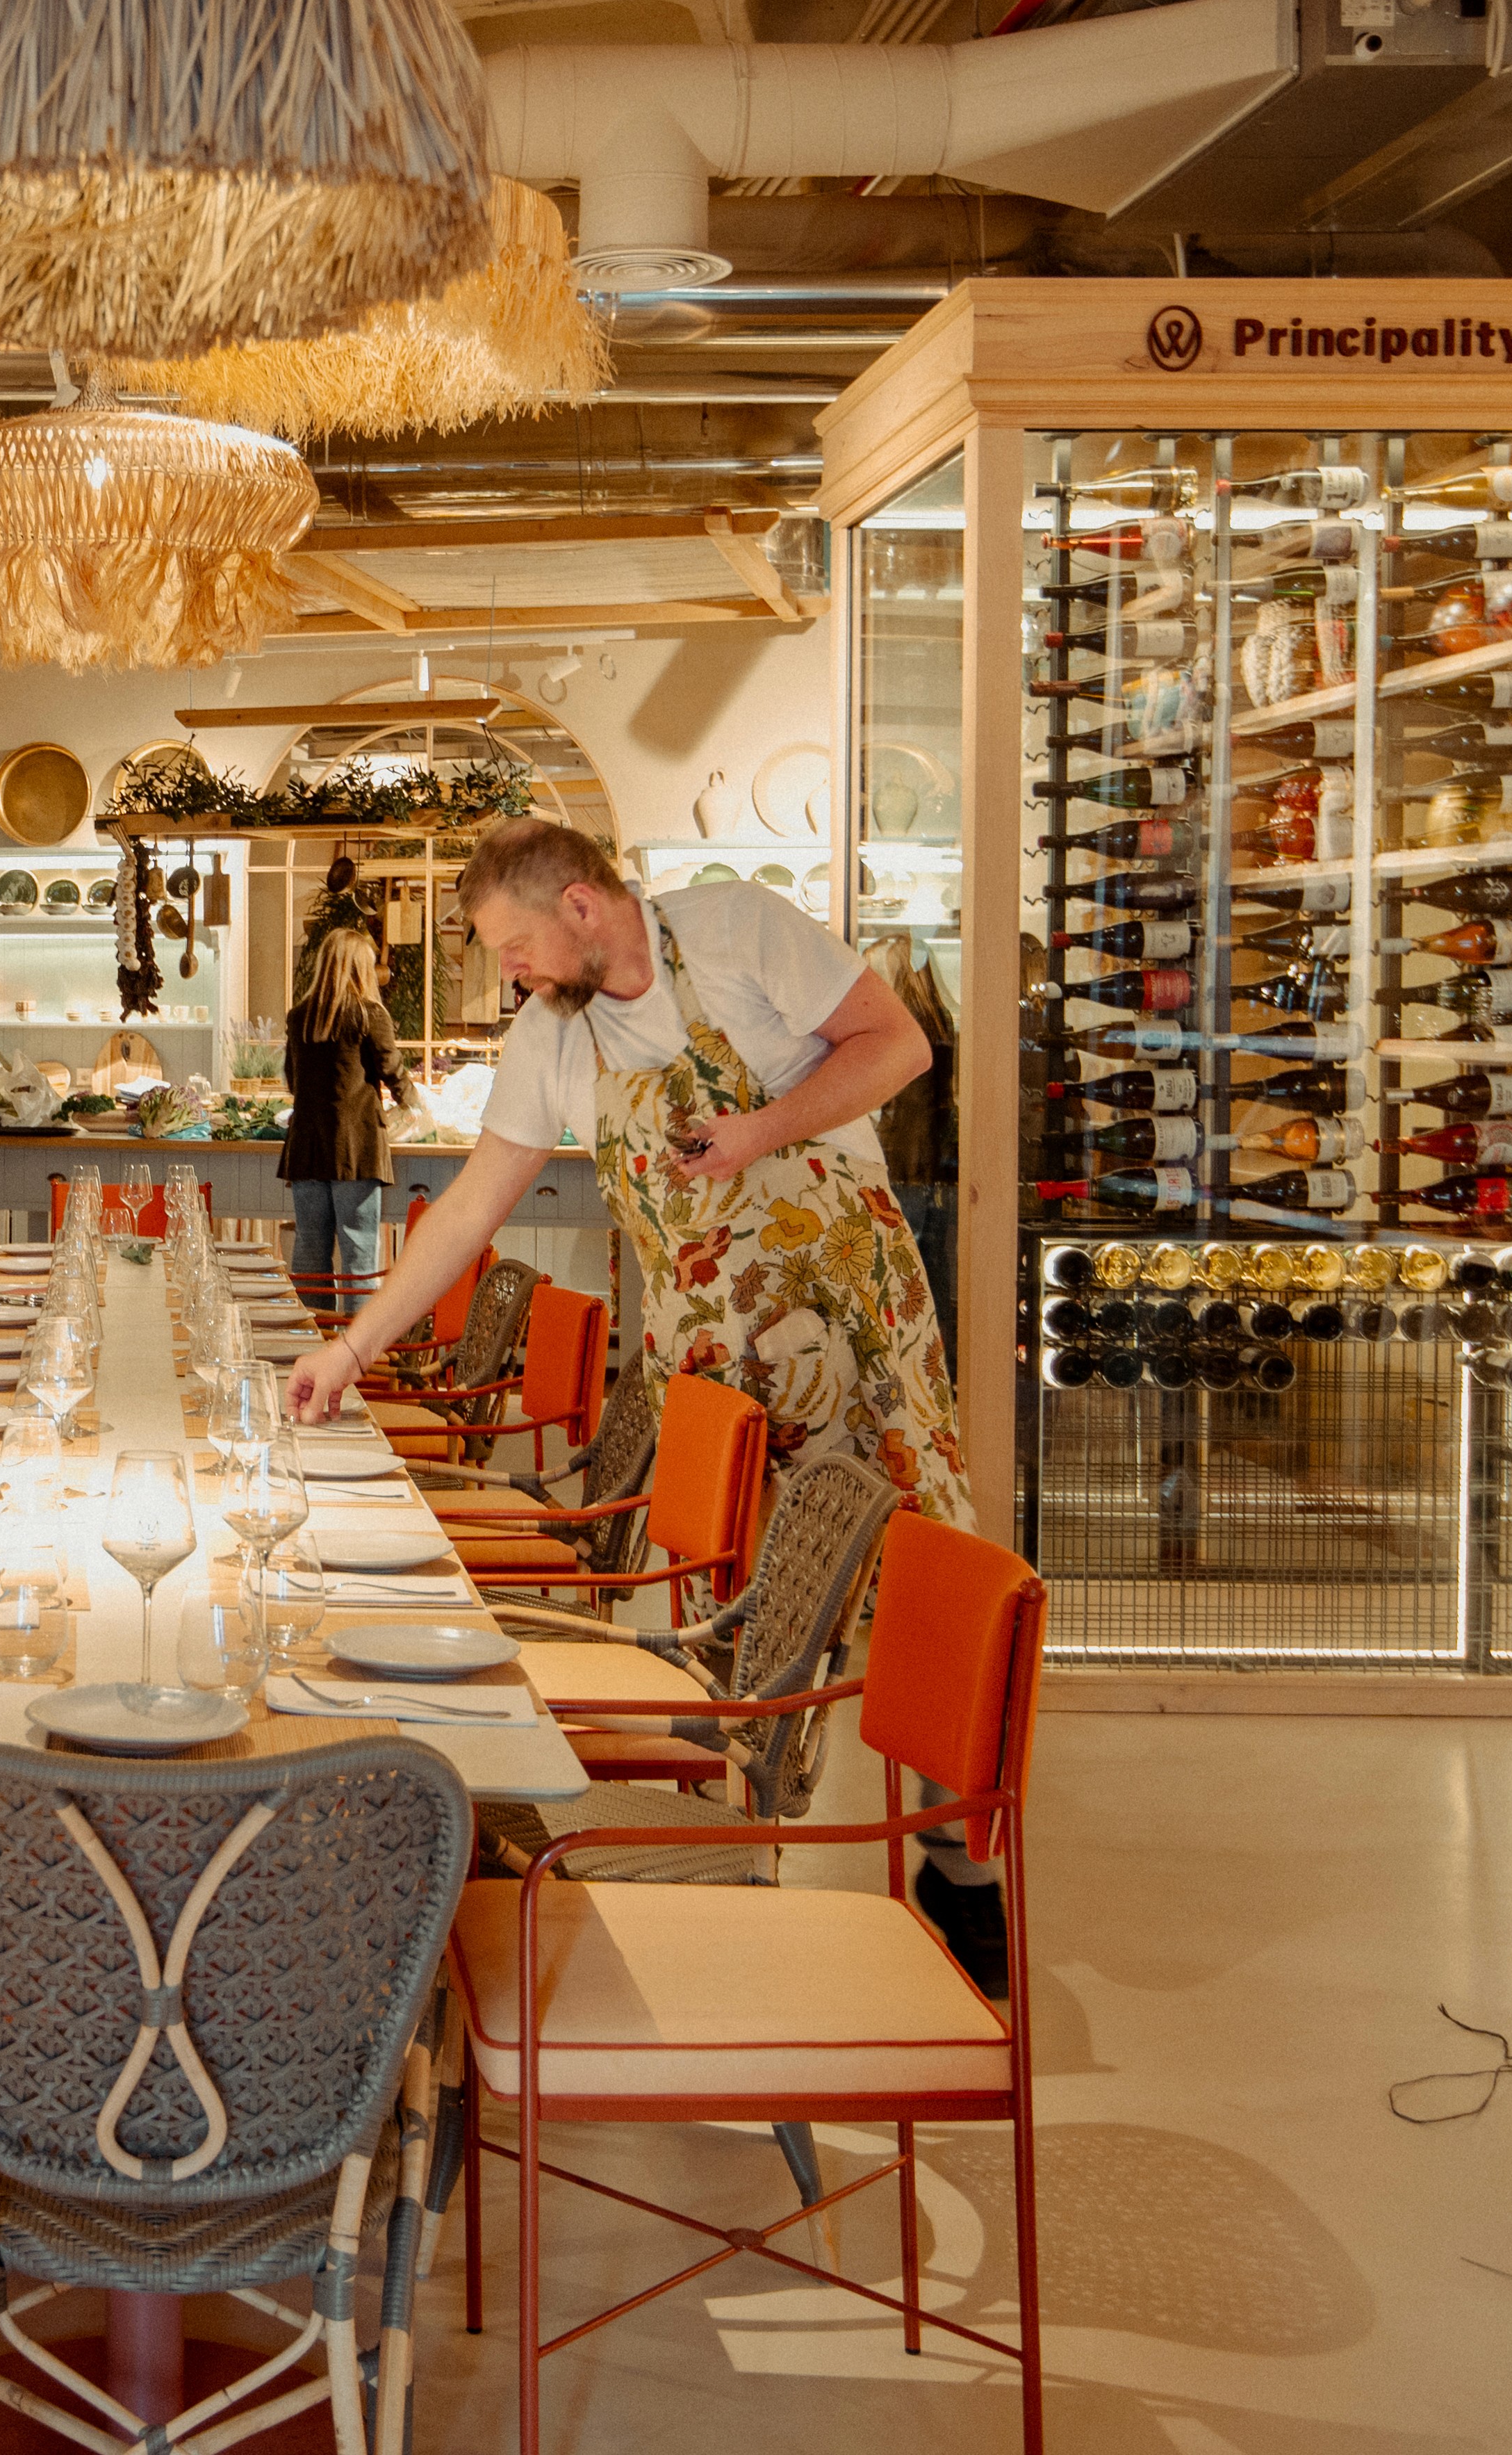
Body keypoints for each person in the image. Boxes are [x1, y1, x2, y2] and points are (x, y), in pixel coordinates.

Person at [281, 817, 1003, 1979]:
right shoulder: (550, 1037)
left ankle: (960, 1863)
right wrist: (353, 1346)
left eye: (514, 946)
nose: (510, 972)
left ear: (577, 904)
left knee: (920, 1569)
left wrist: (760, 1128)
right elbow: (469, 1206)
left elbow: (898, 1044)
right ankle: (728, 1858)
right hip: (714, 1357)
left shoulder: (734, 929)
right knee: (741, 1609)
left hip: (856, 1320)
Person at [279, 927, 409, 1290]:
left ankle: (313, 1325)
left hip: (306, 1146)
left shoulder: (299, 1016)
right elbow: (391, 1068)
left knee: (310, 1249)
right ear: (360, 968)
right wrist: (413, 1103)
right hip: (357, 1147)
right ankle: (357, 1329)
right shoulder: (369, 1014)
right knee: (359, 1254)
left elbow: (293, 1080)